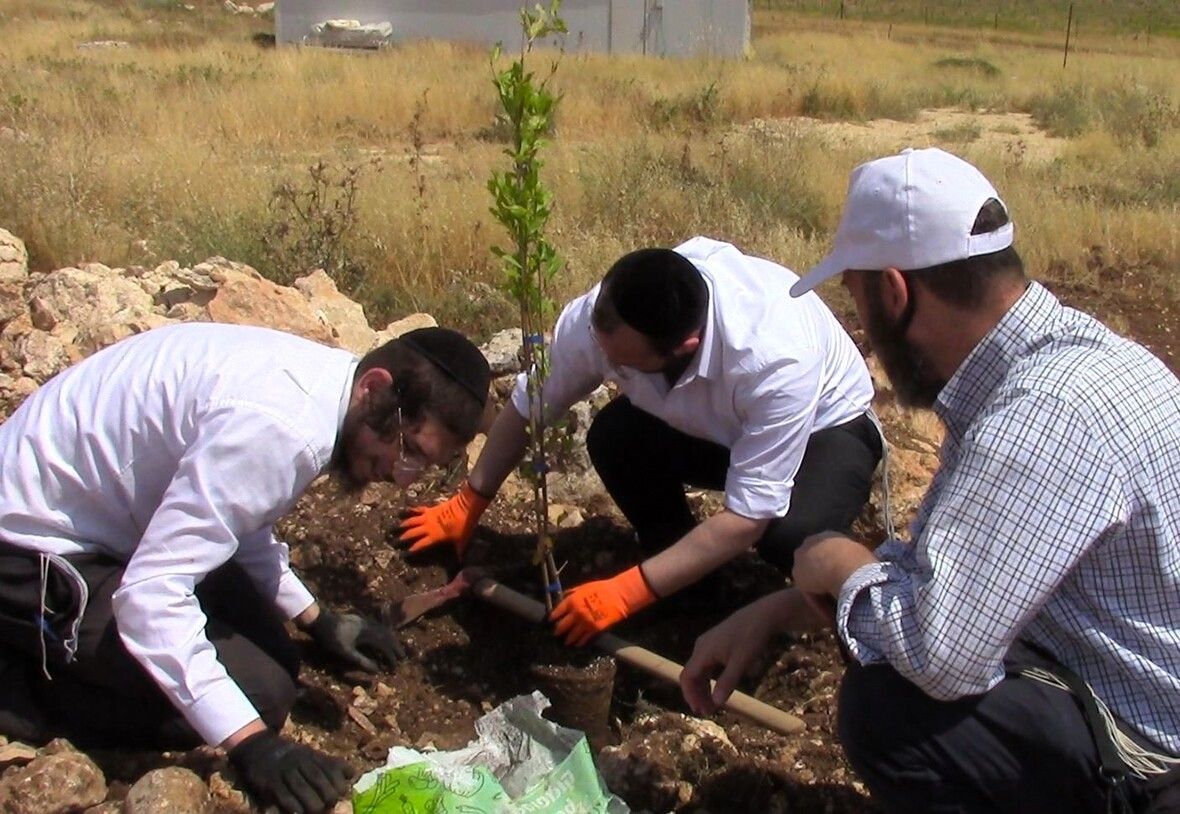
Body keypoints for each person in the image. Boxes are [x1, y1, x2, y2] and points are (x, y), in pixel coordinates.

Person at [680, 147, 1180, 813]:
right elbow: (950, 576)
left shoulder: (1041, 415)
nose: (863, 332)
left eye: (857, 300)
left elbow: (939, 653)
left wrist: (842, 564)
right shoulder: (1058, 366)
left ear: (895, 292)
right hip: (1126, 690)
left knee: (892, 709)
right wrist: (775, 612)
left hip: (1156, 759)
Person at [0, 322, 491, 814]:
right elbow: (150, 595)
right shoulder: (280, 429)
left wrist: (317, 619)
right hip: (31, 547)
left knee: (273, 655)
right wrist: (252, 743)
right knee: (260, 695)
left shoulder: (322, 392)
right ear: (374, 388)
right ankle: (25, 695)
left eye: (425, 465)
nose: (404, 479)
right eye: (408, 450)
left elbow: (239, 513)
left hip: (110, 520)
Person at [398, 237, 881, 646]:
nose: (607, 364)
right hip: (719, 424)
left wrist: (626, 592)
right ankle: (689, 586)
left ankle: (830, 616)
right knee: (616, 438)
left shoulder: (774, 358)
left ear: (683, 347)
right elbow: (532, 405)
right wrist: (471, 499)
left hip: (825, 430)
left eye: (623, 364)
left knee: (790, 536)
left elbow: (749, 517)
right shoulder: (603, 318)